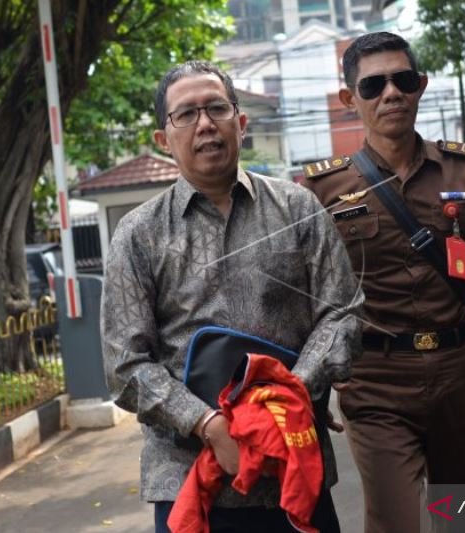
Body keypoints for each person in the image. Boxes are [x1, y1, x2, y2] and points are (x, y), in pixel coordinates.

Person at [302, 32, 465, 533]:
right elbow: (307, 295)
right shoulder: (323, 188)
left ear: (420, 86)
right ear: (349, 99)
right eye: (373, 85)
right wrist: (308, 390)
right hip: (375, 379)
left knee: (461, 521)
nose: (391, 93)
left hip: (459, 374)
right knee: (395, 522)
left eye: (403, 80)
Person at [100, 60, 364, 533]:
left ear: (240, 123)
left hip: (294, 464)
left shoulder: (298, 207)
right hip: (187, 479)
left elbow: (341, 313)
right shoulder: (138, 235)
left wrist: (286, 399)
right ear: (164, 139)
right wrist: (209, 425)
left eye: (216, 108)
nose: (205, 124)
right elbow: (125, 366)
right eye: (186, 114)